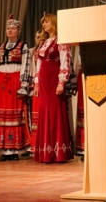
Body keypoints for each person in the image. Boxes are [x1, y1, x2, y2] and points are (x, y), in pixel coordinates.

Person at [32, 13, 74, 163]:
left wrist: (61, 82)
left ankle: (58, 152)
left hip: (54, 80)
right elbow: (38, 64)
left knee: (55, 112)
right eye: (43, 22)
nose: (44, 25)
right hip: (44, 81)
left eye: (47, 22)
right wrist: (36, 83)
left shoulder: (61, 41)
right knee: (45, 112)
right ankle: (46, 151)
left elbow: (65, 62)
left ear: (54, 23)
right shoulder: (44, 43)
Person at [0, 14, 32, 160]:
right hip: (2, 82)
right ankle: (3, 150)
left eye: (12, 28)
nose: (9, 30)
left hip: (15, 81)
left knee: (15, 114)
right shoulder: (1, 46)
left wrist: (23, 84)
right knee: (2, 115)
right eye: (8, 28)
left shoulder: (23, 46)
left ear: (18, 30)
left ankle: (14, 150)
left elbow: (26, 65)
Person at [29, 29, 48, 157]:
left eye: (41, 37)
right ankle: (34, 145)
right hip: (34, 85)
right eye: (37, 37)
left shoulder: (47, 50)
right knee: (34, 115)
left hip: (45, 83)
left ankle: (44, 144)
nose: (39, 39)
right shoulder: (31, 51)